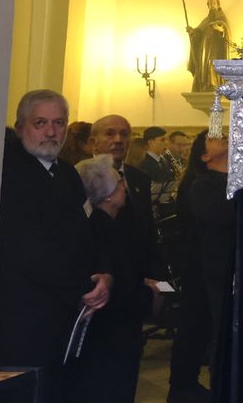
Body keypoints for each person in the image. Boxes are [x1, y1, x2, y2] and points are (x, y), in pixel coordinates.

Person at [0, 90, 111, 403]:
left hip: (64, 312)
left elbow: (85, 234)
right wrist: (82, 286)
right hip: (24, 318)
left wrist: (102, 274)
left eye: (59, 123)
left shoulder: (67, 173)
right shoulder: (10, 173)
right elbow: (27, 248)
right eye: (40, 123)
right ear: (20, 128)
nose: (51, 132)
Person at [89, 116, 169, 391]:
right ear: (93, 141)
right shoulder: (81, 176)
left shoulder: (138, 179)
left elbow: (147, 232)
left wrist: (158, 283)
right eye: (109, 134)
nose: (118, 140)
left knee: (128, 366)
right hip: (104, 289)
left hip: (137, 286)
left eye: (124, 134)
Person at [167, 131, 235, 403]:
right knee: (200, 325)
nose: (227, 137)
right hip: (204, 267)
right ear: (205, 155)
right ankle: (186, 385)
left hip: (217, 268)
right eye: (218, 137)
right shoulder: (202, 185)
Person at [73, 155, 144, 403]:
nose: (125, 186)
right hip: (112, 331)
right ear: (108, 195)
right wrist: (150, 293)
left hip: (117, 328)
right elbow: (120, 280)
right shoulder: (103, 229)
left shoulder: (109, 224)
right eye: (120, 183)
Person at [186, 0, 231, 93]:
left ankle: (213, 85)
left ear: (218, 5)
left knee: (212, 65)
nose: (212, 5)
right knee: (204, 65)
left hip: (216, 50)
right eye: (210, 4)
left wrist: (220, 29)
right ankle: (203, 85)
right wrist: (192, 32)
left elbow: (225, 30)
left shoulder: (222, 18)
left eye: (214, 3)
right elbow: (198, 33)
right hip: (205, 49)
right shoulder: (205, 20)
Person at [140, 126, 179, 207]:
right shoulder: (143, 163)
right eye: (162, 140)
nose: (166, 143)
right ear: (150, 142)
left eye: (166, 139)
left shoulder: (165, 160)